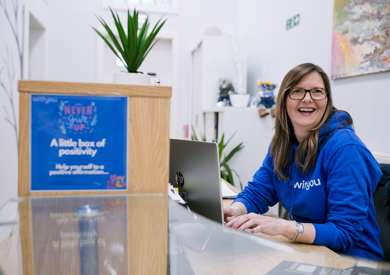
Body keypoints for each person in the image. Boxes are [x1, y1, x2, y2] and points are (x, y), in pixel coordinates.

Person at [223, 63, 384, 260]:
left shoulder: (346, 148)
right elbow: (258, 192)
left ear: (327, 100)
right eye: (298, 91)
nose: (308, 98)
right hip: (311, 252)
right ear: (284, 100)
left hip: (352, 262)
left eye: (317, 91)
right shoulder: (281, 145)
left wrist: (285, 227)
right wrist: (234, 210)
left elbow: (344, 233)